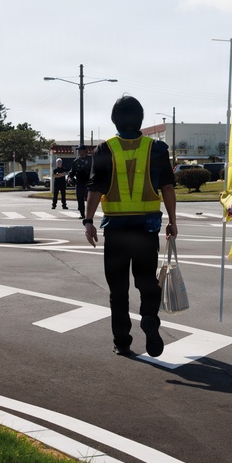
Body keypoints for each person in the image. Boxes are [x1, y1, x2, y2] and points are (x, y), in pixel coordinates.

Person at [84, 95, 177, 358]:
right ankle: (149, 317)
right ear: (140, 120)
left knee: (118, 290)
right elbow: (168, 187)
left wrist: (89, 221)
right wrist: (172, 220)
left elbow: (95, 189)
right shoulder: (156, 149)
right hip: (146, 229)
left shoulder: (105, 149)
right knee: (147, 281)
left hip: (115, 230)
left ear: (114, 120)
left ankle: (122, 341)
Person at [70, 145, 93, 218]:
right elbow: (72, 172)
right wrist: (71, 178)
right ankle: (82, 214)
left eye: (80, 150)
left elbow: (95, 170)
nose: (79, 152)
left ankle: (89, 215)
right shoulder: (76, 161)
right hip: (79, 182)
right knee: (80, 198)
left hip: (88, 183)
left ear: (85, 151)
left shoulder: (91, 160)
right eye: (78, 150)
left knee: (89, 199)